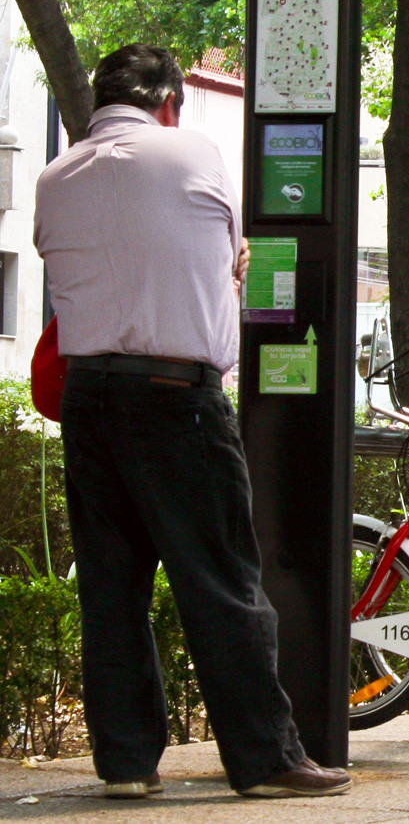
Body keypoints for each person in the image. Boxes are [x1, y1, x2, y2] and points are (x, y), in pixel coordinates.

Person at [33, 44, 351, 800]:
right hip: (177, 395)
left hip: (88, 398)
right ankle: (266, 757)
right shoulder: (192, 155)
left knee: (111, 588)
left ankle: (127, 764)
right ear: (170, 101)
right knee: (223, 580)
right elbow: (226, 257)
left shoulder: (53, 176)